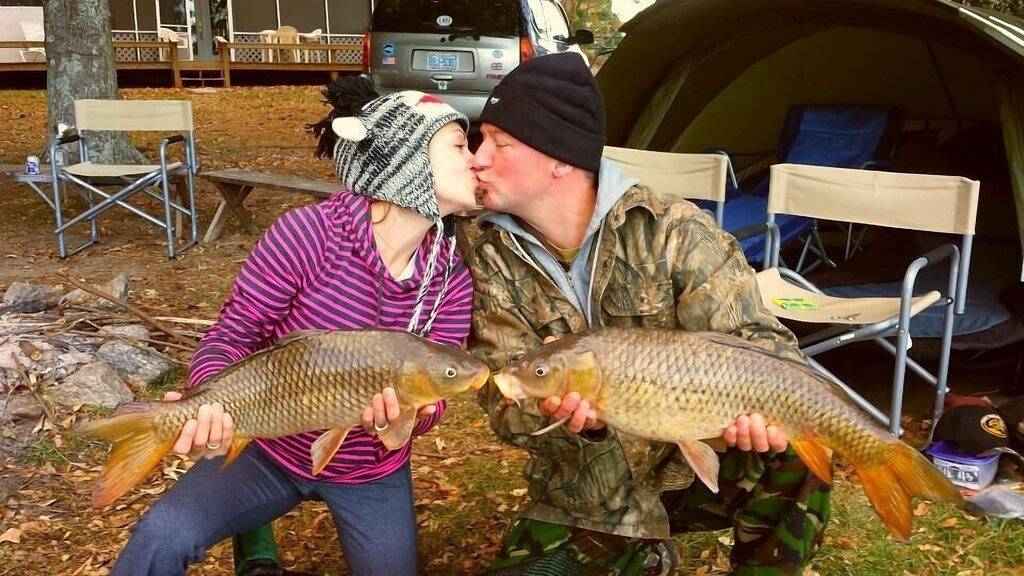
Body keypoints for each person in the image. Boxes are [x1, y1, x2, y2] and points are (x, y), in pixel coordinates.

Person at [462, 52, 832, 575]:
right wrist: (563, 419)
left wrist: (761, 413)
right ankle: (639, 549)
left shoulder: (674, 231)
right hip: (586, 486)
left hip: (693, 465)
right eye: (479, 142)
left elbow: (763, 345)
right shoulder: (484, 253)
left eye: (499, 144)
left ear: (559, 159)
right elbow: (506, 404)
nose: (477, 158)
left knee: (799, 451)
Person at [108, 77, 478, 576]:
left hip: (371, 471)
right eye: (459, 146)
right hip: (267, 451)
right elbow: (230, 338)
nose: (475, 159)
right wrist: (208, 405)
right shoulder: (307, 235)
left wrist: (407, 420)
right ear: (405, 163)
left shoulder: (450, 276)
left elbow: (437, 392)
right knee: (162, 535)